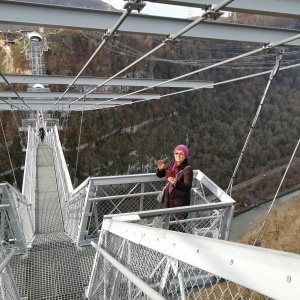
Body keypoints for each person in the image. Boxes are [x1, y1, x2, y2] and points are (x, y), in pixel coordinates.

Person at [156, 144, 193, 209]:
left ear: (185, 155)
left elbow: (187, 187)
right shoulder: (172, 163)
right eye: (176, 153)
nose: (178, 155)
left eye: (181, 154)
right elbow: (160, 175)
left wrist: (176, 183)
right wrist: (160, 169)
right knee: (166, 218)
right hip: (168, 200)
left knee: (178, 219)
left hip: (179, 203)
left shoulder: (187, 169)